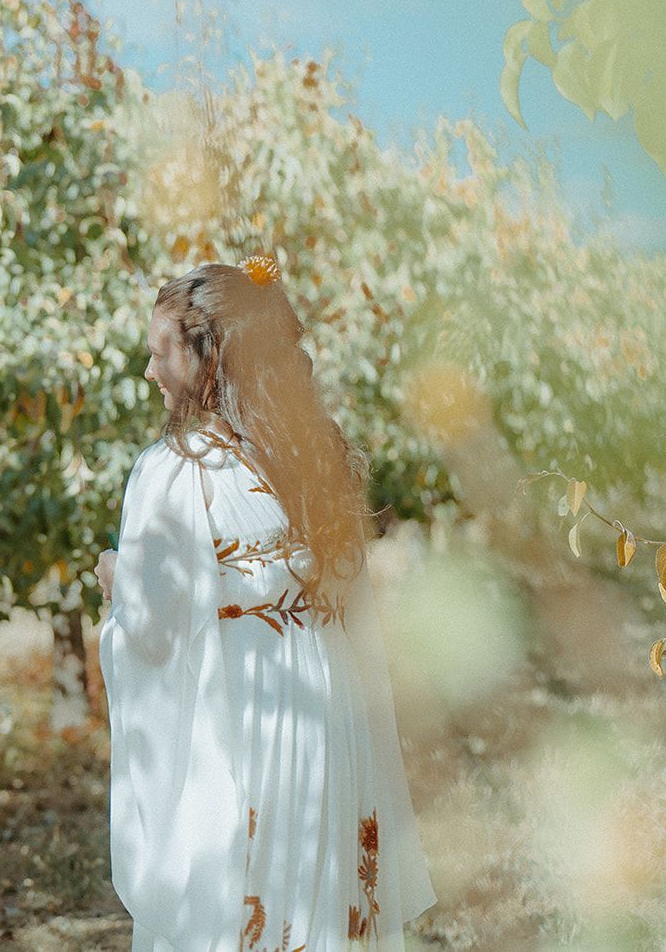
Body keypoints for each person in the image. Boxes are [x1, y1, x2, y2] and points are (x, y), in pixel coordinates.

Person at [96, 257, 434, 951]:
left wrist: (116, 583)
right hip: (328, 710)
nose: (149, 371)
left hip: (244, 717)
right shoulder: (315, 458)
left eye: (160, 352)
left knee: (239, 909)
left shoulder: (174, 470)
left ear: (208, 359)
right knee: (319, 900)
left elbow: (155, 634)